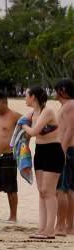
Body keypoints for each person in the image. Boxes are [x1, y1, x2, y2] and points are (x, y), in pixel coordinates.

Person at [22, 86, 63, 239]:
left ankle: (50, 230)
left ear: (33, 97)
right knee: (41, 192)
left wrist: (24, 126)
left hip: (53, 152)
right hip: (40, 152)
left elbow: (33, 132)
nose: (25, 98)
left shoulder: (47, 111)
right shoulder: (33, 113)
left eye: (27, 95)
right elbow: (24, 124)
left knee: (49, 191)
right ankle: (42, 229)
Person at [0, 91, 22, 222]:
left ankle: (13, 217)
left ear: (4, 102)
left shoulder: (15, 116)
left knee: (11, 187)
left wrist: (21, 146)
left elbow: (28, 127)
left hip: (8, 155)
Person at [56, 79, 74, 235]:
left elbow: (70, 129)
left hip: (67, 149)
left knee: (62, 189)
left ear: (62, 90)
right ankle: (68, 226)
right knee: (68, 189)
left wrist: (62, 150)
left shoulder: (70, 105)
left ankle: (62, 226)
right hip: (68, 149)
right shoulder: (66, 106)